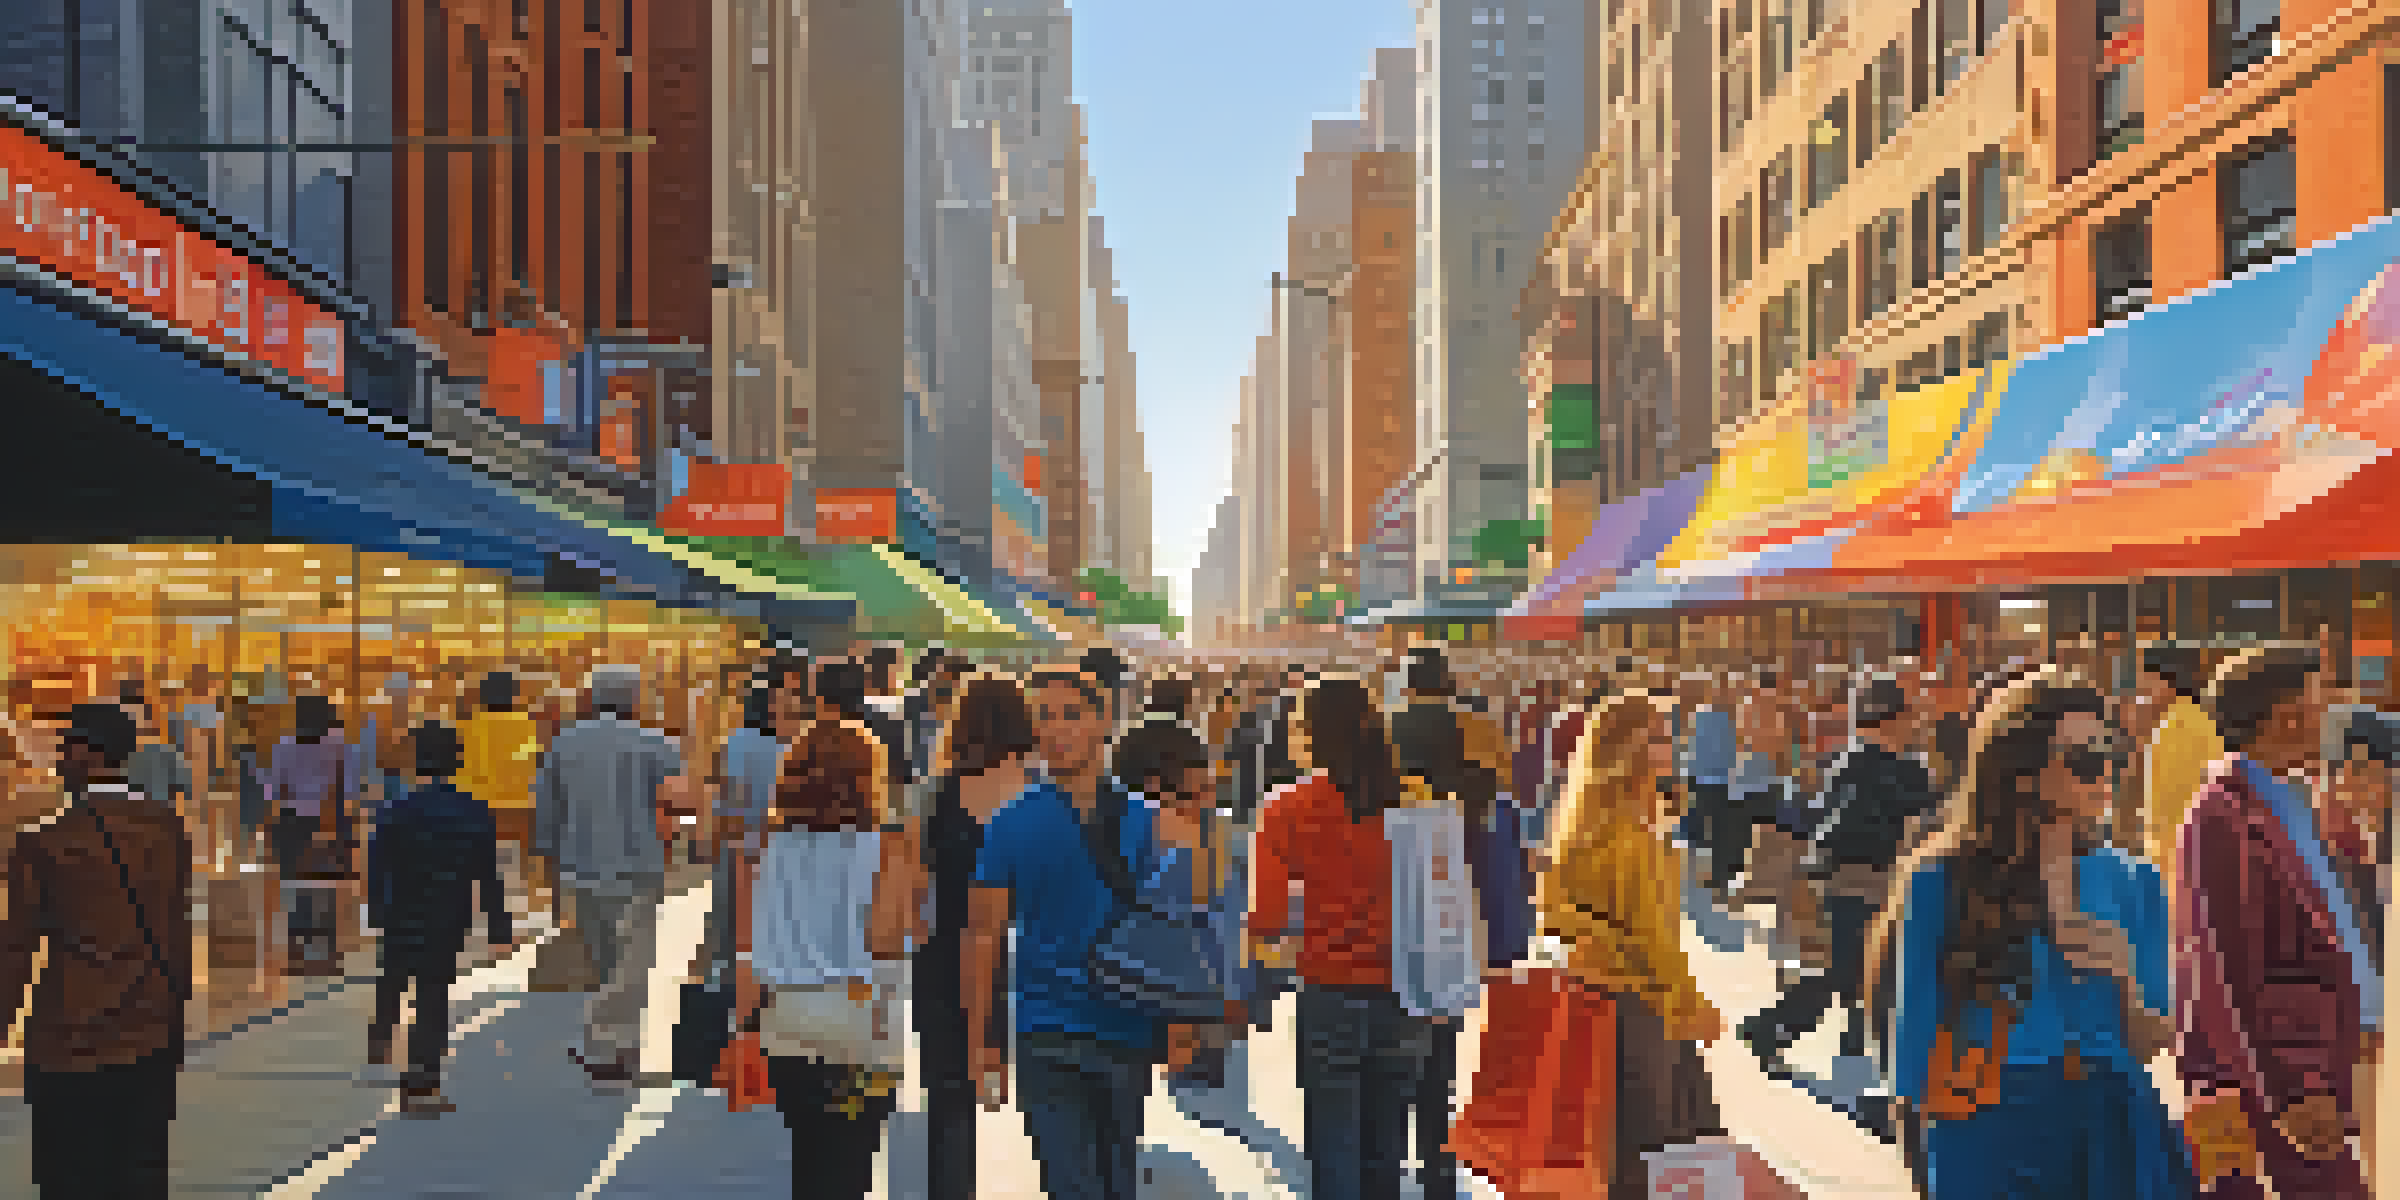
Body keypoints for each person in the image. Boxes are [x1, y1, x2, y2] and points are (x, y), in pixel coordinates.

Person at [1868, 666, 2185, 1199]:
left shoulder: (2136, 881)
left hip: (2109, 1121)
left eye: (2113, 754)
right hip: (1986, 1118)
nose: (2105, 773)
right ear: (2023, 770)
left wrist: (2123, 972)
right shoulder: (1941, 880)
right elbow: (1913, 1049)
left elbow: (2152, 1043)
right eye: (2084, 761)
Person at [2179, 646, 2374, 1200]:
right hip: (2272, 1081)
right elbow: (2226, 964)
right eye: (2325, 696)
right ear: (2288, 714)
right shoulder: (2221, 814)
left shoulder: (2299, 800)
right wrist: (2291, 1087)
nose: (2338, 708)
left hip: (2320, 1067)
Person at [967, 665, 1166, 1200]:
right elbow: (984, 934)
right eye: (1045, 718)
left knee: (1104, 1181)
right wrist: (984, 1040)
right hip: (1046, 1028)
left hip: (1120, 1025)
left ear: (1103, 722)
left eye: (1071, 715)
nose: (1057, 730)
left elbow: (1169, 926)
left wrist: (1181, 1023)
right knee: (1080, 1182)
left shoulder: (1148, 821)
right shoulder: (1010, 821)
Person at [1517, 691, 1726, 1196]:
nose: (1669, 747)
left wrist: (1594, 943)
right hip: (1642, 1009)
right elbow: (1657, 943)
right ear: (1626, 750)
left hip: (1587, 1006)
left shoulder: (1577, 829)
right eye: (1656, 738)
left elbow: (1550, 912)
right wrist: (1694, 1007)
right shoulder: (1639, 839)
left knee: (1604, 1152)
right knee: (1657, 1156)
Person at [1252, 674, 1440, 1200]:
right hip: (1405, 991)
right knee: (1387, 1152)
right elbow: (1440, 899)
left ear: (1312, 732)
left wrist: (1274, 959)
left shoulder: (1287, 805)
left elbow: (1266, 916)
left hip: (1328, 989)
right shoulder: (1415, 797)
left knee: (1333, 1150)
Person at [731, 687, 923, 1200]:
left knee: (809, 1157)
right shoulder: (890, 840)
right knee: (854, 1161)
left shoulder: (767, 844)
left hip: (786, 1019)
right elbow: (885, 941)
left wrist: (745, 1023)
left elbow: (747, 943)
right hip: (864, 1026)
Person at [0, 705, 192, 1199]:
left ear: (88, 753)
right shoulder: (168, 831)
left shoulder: (44, 845)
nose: (61, 760)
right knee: (141, 1176)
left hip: (70, 1037)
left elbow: (16, 952)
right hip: (151, 1032)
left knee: (70, 1179)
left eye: (66, 748)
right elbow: (176, 925)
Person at [1743, 674, 1935, 1089]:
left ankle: (1860, 1048)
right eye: (1910, 715)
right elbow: (1908, 826)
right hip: (1864, 882)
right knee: (1852, 970)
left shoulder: (1852, 762)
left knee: (1865, 969)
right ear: (1892, 719)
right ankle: (1771, 1029)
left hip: (1857, 881)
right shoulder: (1894, 769)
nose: (1916, 723)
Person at [534, 664, 685, 1084]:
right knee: (633, 958)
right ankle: (616, 1046)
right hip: (639, 865)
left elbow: (546, 811)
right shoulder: (659, 745)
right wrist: (673, 848)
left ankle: (612, 1043)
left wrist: (547, 861)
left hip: (580, 864)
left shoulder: (563, 746)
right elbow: (676, 808)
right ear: (632, 699)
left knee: (602, 955)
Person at [919, 671, 1036, 1200]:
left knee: (949, 1101)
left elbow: (916, 887)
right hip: (1031, 964)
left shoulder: (937, 797)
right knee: (1056, 1103)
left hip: (944, 959)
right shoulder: (1046, 797)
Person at [365, 721, 515, 1115]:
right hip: (447, 916)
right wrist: (500, 927)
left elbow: (377, 866)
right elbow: (488, 874)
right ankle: (421, 1085)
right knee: (433, 997)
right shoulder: (473, 811)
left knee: (393, 976)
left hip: (400, 911)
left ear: (417, 762)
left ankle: (378, 1046)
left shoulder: (396, 810)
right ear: (458, 761)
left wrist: (377, 910)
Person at [268, 695, 356, 975]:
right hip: (329, 821)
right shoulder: (339, 747)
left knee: (294, 887)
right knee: (327, 887)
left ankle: (295, 953)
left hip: (292, 823)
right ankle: (327, 955)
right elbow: (349, 790)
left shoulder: (284, 746)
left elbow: (273, 790)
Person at [2138, 644, 2221, 894]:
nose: (2145, 690)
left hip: (2175, 862)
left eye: (2148, 680)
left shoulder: (2174, 728)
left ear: (2167, 680)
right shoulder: (2204, 720)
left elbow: (2168, 805)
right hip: (2197, 856)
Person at [461, 672, 544, 920]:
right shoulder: (526, 723)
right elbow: (531, 764)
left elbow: (463, 770)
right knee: (532, 856)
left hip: (480, 807)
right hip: (521, 805)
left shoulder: (470, 725)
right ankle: (535, 900)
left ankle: (480, 907)